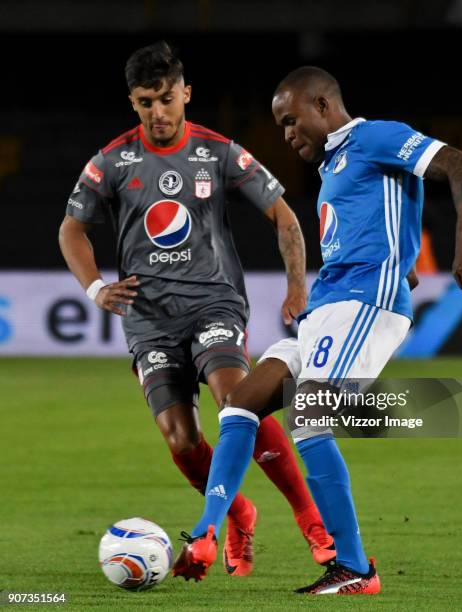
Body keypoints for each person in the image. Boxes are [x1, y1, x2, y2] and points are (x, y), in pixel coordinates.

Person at [173, 66, 462, 595]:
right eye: (281, 127)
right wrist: (401, 256)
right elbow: (377, 222)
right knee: (240, 404)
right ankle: (206, 531)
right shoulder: (335, 166)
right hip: (326, 310)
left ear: (323, 105)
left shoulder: (374, 136)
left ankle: (356, 568)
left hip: (365, 304)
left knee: (309, 415)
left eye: (292, 120)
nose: (288, 134)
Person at [58, 45, 336, 578]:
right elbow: (71, 228)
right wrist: (95, 288)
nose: (158, 113)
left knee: (238, 400)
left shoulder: (219, 152)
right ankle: (238, 512)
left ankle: (312, 523)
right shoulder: (112, 161)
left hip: (214, 303)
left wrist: (297, 288)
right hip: (148, 320)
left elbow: (285, 219)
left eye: (166, 99)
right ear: (133, 103)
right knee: (182, 440)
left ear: (185, 93)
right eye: (145, 103)